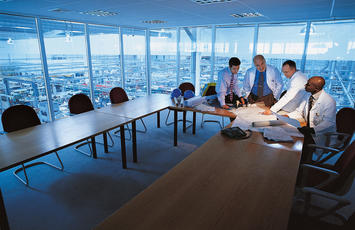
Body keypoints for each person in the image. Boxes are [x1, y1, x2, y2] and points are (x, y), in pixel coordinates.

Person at [286, 76, 336, 162]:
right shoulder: (308, 96)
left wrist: (311, 130)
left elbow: (329, 123)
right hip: (307, 129)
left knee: (296, 144)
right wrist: (287, 116)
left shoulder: (329, 101)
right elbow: (299, 111)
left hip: (318, 134)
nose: (305, 85)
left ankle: (302, 164)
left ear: (316, 88)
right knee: (288, 136)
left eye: (308, 84)